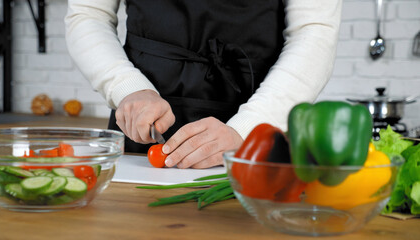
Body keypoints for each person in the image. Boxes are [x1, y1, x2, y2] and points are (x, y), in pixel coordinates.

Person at [65, 0, 342, 169]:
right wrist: (128, 87)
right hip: (142, 127)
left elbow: (314, 31)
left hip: (256, 134)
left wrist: (247, 129)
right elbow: (88, 15)